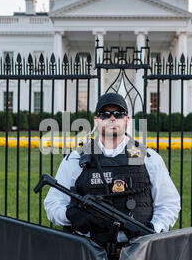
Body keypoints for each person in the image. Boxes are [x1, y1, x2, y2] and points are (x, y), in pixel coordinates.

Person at [44, 92, 181, 246]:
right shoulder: (76, 159)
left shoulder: (149, 158)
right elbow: (53, 203)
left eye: (119, 114)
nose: (112, 118)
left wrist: (153, 229)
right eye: (105, 114)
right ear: (96, 121)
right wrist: (71, 215)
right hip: (89, 251)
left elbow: (169, 203)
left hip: (139, 251)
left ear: (127, 120)